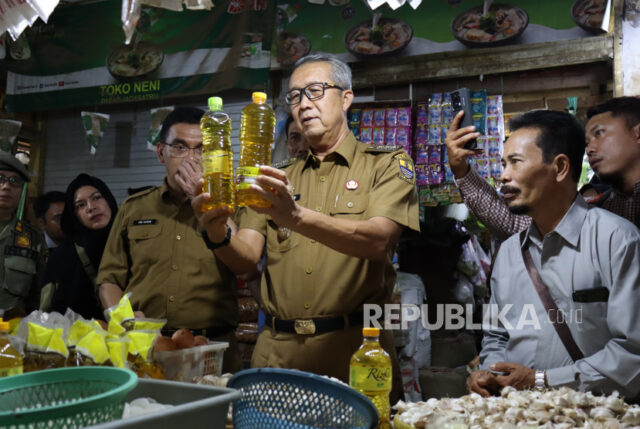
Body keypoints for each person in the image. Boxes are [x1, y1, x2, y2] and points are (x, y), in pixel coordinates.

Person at [192, 54, 419, 397]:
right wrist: (217, 231)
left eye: (315, 91)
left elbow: (378, 241)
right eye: (295, 97)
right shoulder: (275, 176)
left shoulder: (386, 164)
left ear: (346, 98)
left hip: (356, 350)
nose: (303, 104)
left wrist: (294, 216)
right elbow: (247, 259)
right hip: (279, 352)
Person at [466, 110, 640, 398]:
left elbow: (633, 353)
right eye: (503, 163)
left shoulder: (618, 241)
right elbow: (497, 335)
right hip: (519, 414)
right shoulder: (510, 253)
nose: (504, 175)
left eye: (515, 163)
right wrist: (489, 373)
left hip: (596, 416)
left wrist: (542, 380)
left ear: (559, 167)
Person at [97, 107, 241, 372]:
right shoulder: (134, 208)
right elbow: (109, 279)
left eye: (201, 149)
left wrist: (208, 199)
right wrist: (123, 319)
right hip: (145, 347)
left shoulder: (233, 207)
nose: (191, 159)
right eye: (180, 148)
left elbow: (246, 264)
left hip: (212, 348)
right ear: (161, 153)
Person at [445, 97, 640, 238]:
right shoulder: (599, 208)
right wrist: (461, 169)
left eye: (599, 134)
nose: (590, 149)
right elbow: (514, 223)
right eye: (587, 142)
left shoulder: (611, 225)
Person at [39, 174, 117, 320]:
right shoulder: (63, 256)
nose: (91, 207)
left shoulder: (132, 243)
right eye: (80, 205)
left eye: (96, 197)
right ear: (75, 215)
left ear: (109, 199)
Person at [0, 151, 46, 316]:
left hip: (11, 336)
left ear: (21, 191)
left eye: (15, 182)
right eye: (0, 179)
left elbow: (39, 298)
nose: (6, 186)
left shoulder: (33, 238)